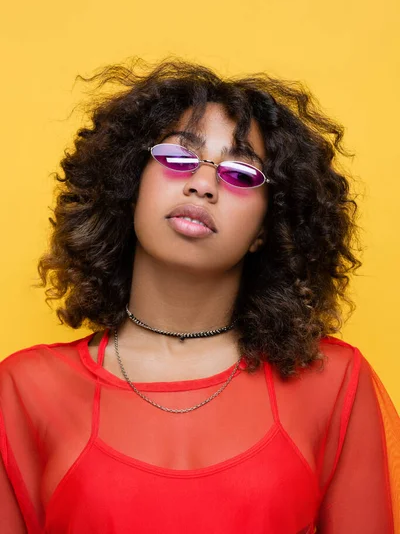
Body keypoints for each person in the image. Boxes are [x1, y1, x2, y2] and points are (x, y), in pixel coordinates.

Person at [0, 57, 399, 534]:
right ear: (130, 186)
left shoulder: (333, 383)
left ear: (266, 230)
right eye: (177, 158)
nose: (203, 184)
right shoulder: (24, 390)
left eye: (241, 174)